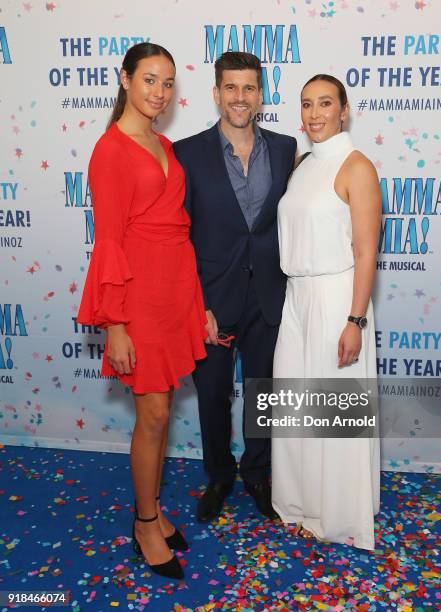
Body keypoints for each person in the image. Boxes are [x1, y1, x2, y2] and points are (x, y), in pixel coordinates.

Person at [77, 43, 207, 579]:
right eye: (149, 79)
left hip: (173, 290)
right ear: (125, 80)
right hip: (138, 299)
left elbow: (175, 225)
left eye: (168, 82)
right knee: (152, 415)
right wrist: (116, 324)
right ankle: (145, 522)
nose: (159, 91)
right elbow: (108, 242)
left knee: (163, 409)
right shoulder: (111, 151)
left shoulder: (163, 143)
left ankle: (151, 509)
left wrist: (195, 300)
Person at [173, 52, 297, 522]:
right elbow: (178, 234)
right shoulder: (186, 153)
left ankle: (257, 473)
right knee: (212, 395)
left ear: (261, 94)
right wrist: (195, 304)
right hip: (211, 301)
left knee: (264, 392)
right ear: (216, 93)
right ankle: (220, 475)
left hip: (269, 296)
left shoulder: (286, 149)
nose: (240, 98)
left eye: (248, 88)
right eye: (231, 88)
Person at [272, 74, 381, 550]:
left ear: (344, 109)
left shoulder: (357, 166)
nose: (314, 114)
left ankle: (339, 513)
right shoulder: (302, 164)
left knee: (335, 410)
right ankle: (299, 503)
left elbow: (365, 251)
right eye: (306, 104)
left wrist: (354, 320)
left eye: (325, 103)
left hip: (338, 297)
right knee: (295, 405)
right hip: (296, 296)